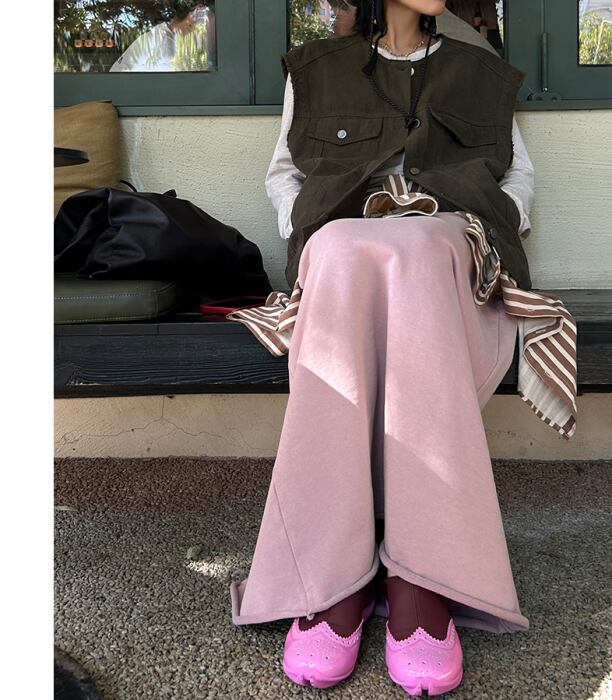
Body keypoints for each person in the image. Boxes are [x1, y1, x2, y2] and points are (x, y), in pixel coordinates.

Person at [230, 1, 534, 695]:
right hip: (348, 262)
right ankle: (333, 575)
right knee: (339, 245)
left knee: (420, 249)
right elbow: (285, 174)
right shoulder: (316, 69)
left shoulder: (479, 70)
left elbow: (517, 176)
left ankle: (421, 577)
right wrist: (311, 225)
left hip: (446, 255)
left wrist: (489, 225)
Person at [109, 1, 212, 73]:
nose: (200, 23)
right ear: (190, 16)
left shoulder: (168, 35)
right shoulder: (162, 43)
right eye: (199, 16)